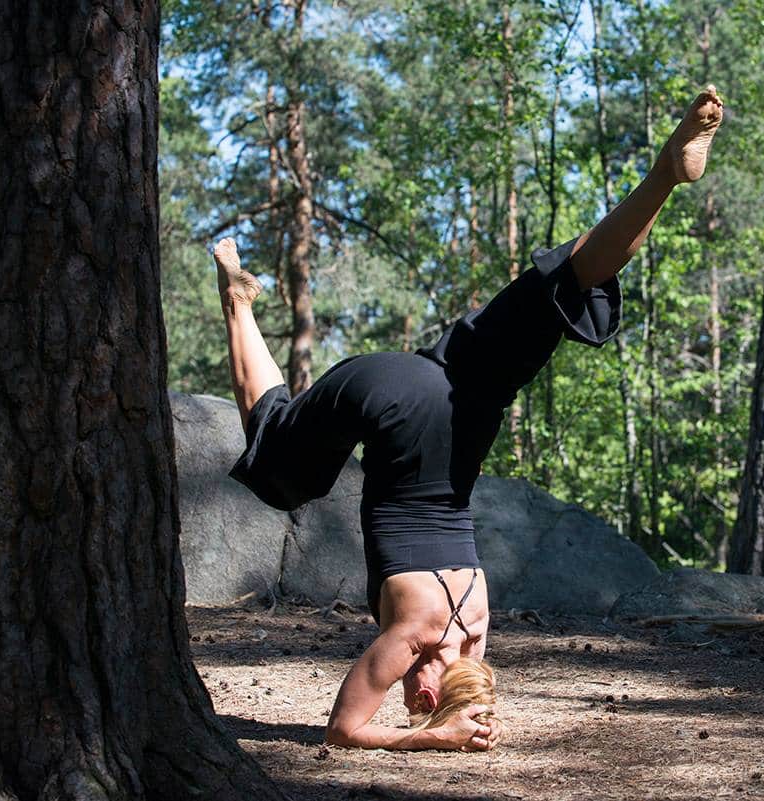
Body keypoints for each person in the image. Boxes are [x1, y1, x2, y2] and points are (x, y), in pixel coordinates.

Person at [216, 86, 724, 752]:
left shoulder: (479, 623)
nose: (403, 698)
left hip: (461, 399)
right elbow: (345, 729)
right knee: (278, 461)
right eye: (413, 701)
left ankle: (663, 176)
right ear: (427, 690)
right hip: (398, 399)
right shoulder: (418, 634)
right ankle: (238, 302)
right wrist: (436, 735)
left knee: (558, 290)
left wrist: (458, 711)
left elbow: (403, 700)